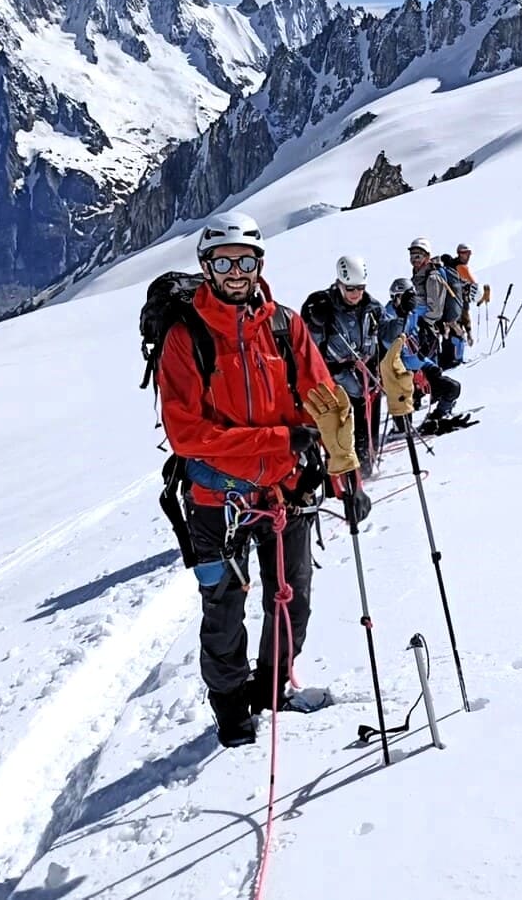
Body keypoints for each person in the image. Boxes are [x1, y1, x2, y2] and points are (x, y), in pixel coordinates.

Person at [155, 210, 359, 747]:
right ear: (207, 267)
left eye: (245, 260)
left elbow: (326, 405)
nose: (236, 272)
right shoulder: (185, 337)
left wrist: (346, 475)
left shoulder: (284, 326)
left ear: (259, 263)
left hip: (286, 492)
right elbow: (187, 434)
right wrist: (278, 441)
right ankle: (231, 711)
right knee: (223, 607)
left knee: (291, 598)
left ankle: (271, 688)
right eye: (224, 262)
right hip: (213, 501)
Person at [301, 255, 386, 475]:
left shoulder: (373, 307)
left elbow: (383, 338)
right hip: (337, 382)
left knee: (368, 426)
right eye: (350, 289)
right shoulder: (324, 306)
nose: (356, 294)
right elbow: (308, 347)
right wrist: (316, 323)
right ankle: (345, 476)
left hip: (367, 378)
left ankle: (367, 465)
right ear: (339, 284)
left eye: (360, 288)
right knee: (341, 431)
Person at [385, 273, 462, 434]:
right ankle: (400, 429)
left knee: (452, 388)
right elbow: (390, 343)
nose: (408, 301)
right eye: (403, 297)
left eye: (411, 296)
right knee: (405, 404)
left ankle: (438, 415)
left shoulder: (414, 311)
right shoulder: (389, 315)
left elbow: (436, 310)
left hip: (420, 362)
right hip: (401, 370)